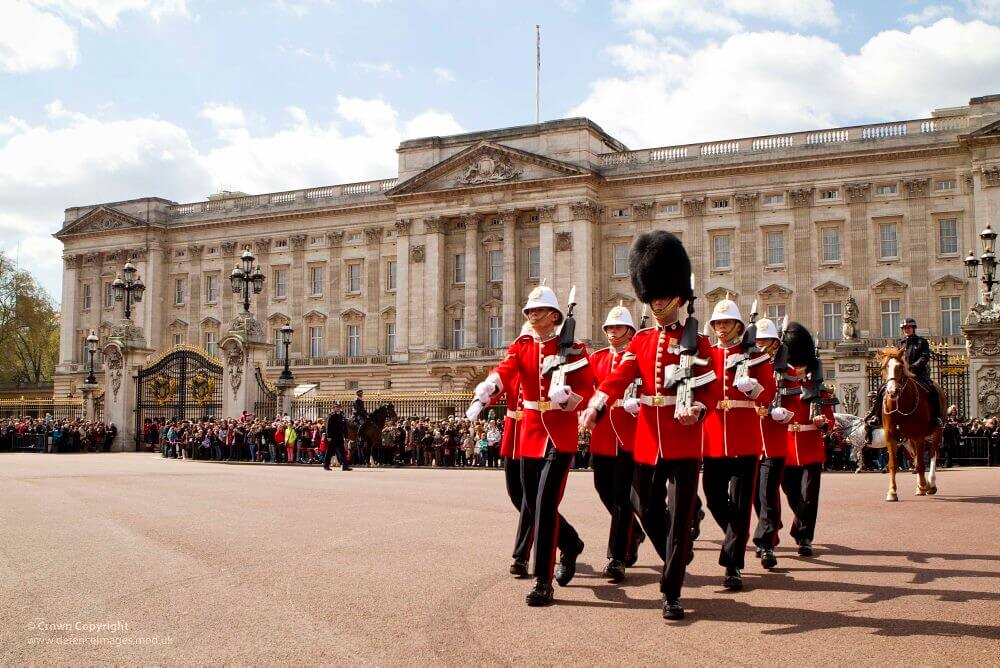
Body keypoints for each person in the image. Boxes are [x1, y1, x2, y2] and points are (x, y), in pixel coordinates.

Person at [581, 230, 713, 621]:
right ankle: (675, 550)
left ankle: (671, 590)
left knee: (680, 517)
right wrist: (597, 403)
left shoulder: (699, 343)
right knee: (644, 505)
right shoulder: (640, 342)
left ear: (679, 298)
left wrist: (698, 411)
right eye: (652, 297)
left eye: (663, 297)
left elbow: (710, 389)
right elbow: (617, 377)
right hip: (648, 440)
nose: (657, 304)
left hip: (684, 439)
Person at [468, 284, 595, 607]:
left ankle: (543, 580)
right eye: (530, 311)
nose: (532, 313)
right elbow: (507, 369)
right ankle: (571, 543)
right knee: (529, 501)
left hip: (559, 435)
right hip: (529, 435)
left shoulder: (574, 347)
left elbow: (586, 388)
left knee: (545, 503)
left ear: (554, 316)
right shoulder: (522, 345)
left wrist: (568, 399)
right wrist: (490, 385)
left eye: (538, 310)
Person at [702, 297, 775, 591]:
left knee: (742, 504)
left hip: (744, 437)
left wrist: (753, 388)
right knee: (714, 497)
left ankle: (732, 565)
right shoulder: (705, 355)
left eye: (726, 323)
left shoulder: (755, 356)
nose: (721, 328)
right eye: (717, 323)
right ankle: (737, 535)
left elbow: (767, 395)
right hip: (714, 437)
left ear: (737, 326)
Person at [588, 303, 647, 582]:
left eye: (618, 327)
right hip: (602, 435)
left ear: (630, 331)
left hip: (628, 434)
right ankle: (633, 532)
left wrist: (641, 403)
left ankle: (616, 556)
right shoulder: (597, 358)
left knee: (623, 497)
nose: (613, 332)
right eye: (609, 327)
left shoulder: (638, 357)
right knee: (603, 490)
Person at [779, 322, 835, 557]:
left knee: (809, 497)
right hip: (785, 446)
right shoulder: (781, 378)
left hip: (811, 445)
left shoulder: (817, 382)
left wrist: (824, 422)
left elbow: (830, 417)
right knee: (792, 493)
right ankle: (801, 527)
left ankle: (804, 537)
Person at [751, 318, 790, 570]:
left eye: (766, 341)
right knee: (755, 495)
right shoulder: (749, 366)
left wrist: (785, 413)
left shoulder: (787, 370)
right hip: (751, 437)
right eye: (758, 341)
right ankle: (771, 526)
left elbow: (799, 400)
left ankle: (766, 543)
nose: (761, 345)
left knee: (767, 492)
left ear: (776, 343)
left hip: (774, 438)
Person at [864, 317, 942, 443]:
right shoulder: (900, 343)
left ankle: (935, 417)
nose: (907, 330)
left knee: (932, 390)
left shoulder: (922, 342)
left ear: (913, 328)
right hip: (901, 375)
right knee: (881, 391)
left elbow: (924, 357)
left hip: (918, 374)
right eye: (905, 328)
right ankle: (876, 416)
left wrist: (911, 367)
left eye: (909, 327)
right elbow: (896, 358)